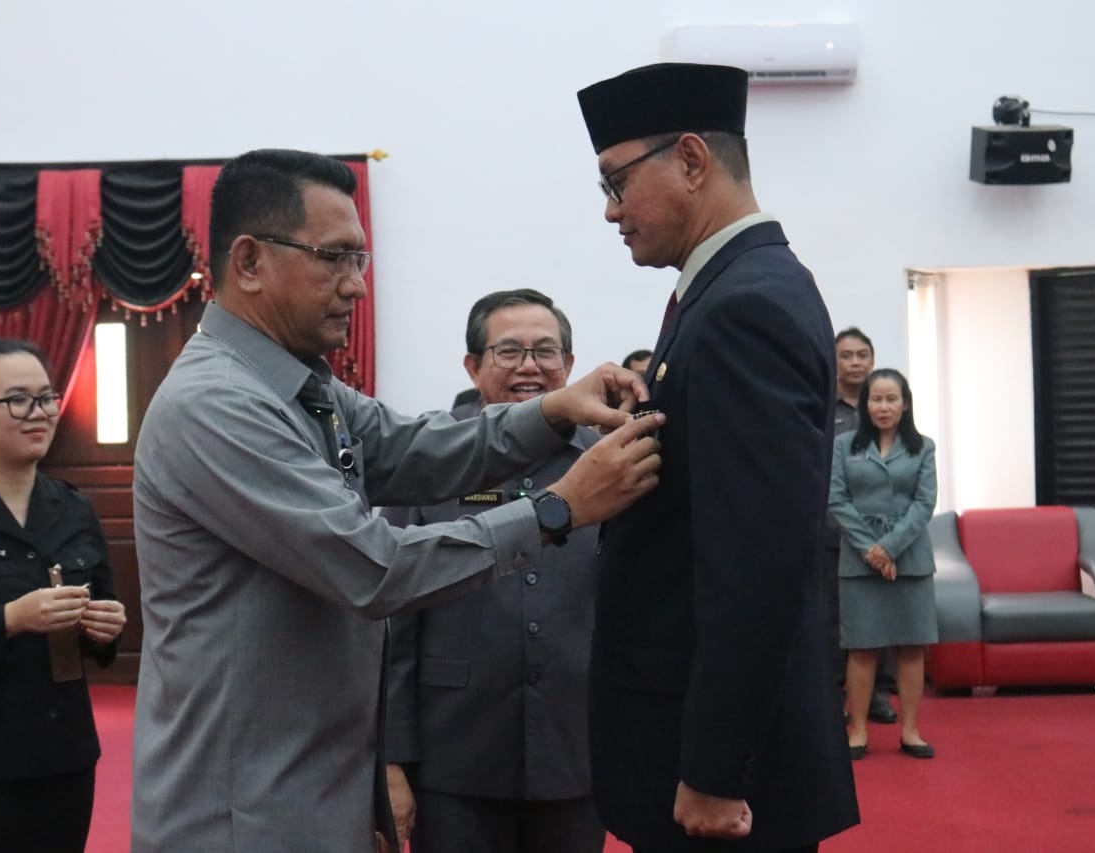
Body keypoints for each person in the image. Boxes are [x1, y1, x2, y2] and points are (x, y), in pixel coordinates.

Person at [130, 148, 664, 852]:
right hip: (243, 810)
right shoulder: (219, 404)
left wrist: (555, 412)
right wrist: (555, 510)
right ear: (251, 261)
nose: (355, 285)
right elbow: (374, 566)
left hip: (307, 784)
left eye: (361, 260)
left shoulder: (297, 385)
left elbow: (416, 447)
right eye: (335, 258)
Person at [576, 63, 859, 851]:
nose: (610, 211)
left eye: (616, 181)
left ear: (693, 160)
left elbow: (758, 565)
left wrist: (715, 768)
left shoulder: (745, 306)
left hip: (708, 773)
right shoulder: (732, 289)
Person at [383, 288, 606, 853]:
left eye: (546, 352)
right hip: (455, 756)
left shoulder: (608, 461)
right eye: (509, 352)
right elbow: (392, 627)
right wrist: (391, 759)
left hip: (577, 752)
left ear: (570, 366)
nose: (529, 367)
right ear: (473, 366)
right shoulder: (429, 462)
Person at [0, 338, 126, 852]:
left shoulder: (74, 509)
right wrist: (9, 618)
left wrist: (102, 630)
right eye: (18, 400)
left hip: (64, 757)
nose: (40, 413)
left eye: (46, 397)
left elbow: (99, 644)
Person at [828, 368, 938, 761]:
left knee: (911, 648)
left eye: (892, 399)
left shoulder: (923, 447)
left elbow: (924, 504)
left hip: (910, 558)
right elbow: (836, 501)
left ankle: (910, 731)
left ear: (904, 404)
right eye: (876, 399)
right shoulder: (843, 445)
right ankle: (857, 730)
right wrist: (871, 549)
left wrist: (889, 548)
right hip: (859, 559)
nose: (884, 406)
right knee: (861, 648)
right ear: (865, 404)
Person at [824, 327, 898, 724]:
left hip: (881, 531)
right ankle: (835, 693)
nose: (855, 362)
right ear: (834, 361)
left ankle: (878, 695)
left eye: (862, 354)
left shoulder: (885, 407)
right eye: (847, 355)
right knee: (834, 617)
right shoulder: (821, 407)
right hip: (833, 530)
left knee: (878, 615)